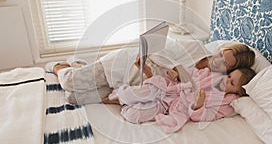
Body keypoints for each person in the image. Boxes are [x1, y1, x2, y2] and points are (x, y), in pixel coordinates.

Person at [46, 39, 255, 105]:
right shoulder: (194, 47)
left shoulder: (205, 80)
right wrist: (169, 68)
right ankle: (57, 66)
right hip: (126, 63)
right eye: (221, 54)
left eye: (225, 64)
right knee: (70, 84)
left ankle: (78, 64)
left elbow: (171, 91)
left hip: (134, 83)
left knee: (74, 98)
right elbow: (159, 47)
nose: (217, 60)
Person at [107, 64, 256, 133]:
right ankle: (119, 96)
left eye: (232, 83)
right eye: (229, 76)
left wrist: (198, 106)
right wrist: (177, 74)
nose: (226, 80)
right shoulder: (213, 76)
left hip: (171, 106)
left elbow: (208, 116)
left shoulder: (226, 104)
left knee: (134, 115)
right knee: (132, 93)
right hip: (167, 88)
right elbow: (192, 72)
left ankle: (125, 104)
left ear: (239, 92)